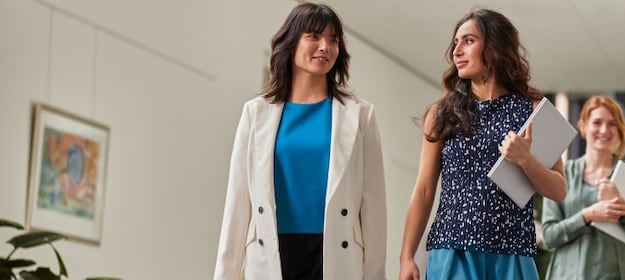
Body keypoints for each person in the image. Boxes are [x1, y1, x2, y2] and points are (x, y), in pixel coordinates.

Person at [214, 3, 386, 279]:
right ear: (291, 43)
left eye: (333, 40)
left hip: (335, 253)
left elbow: (374, 209)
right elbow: (237, 205)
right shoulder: (255, 113)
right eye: (314, 37)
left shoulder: (361, 116)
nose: (325, 47)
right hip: (272, 250)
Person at [397, 8, 567, 280]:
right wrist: (406, 256)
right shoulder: (441, 114)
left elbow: (559, 190)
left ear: (495, 47)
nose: (457, 52)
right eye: (455, 44)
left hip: (512, 252)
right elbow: (425, 189)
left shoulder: (533, 112)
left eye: (468, 41)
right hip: (452, 249)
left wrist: (526, 160)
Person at [541, 96, 625, 279]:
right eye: (597, 122)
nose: (604, 130)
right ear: (583, 125)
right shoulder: (562, 174)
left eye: (612, 124)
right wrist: (587, 216)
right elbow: (549, 236)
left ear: (619, 130)